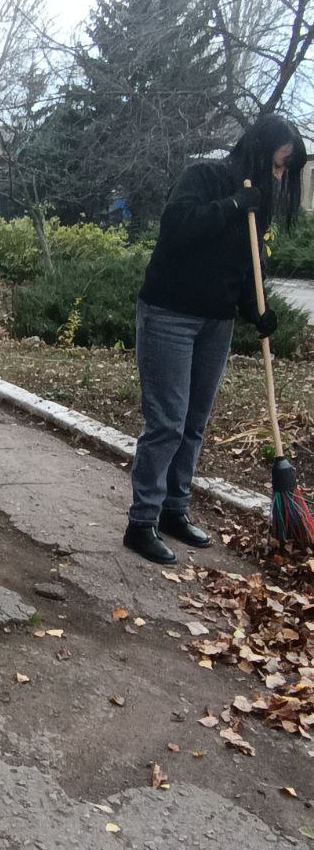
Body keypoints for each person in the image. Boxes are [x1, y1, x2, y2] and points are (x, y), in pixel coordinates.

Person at [124, 115, 308, 565]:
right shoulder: (204, 176)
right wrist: (232, 204)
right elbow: (178, 227)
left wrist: (256, 311)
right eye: (279, 165)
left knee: (194, 422)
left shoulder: (257, 203)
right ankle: (141, 522)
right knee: (166, 422)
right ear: (258, 152)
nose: (281, 176)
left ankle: (173, 510)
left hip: (216, 322)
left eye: (287, 170)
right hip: (170, 314)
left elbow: (245, 263)